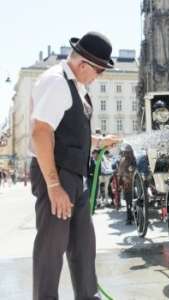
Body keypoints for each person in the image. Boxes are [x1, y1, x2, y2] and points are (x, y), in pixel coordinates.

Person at [29, 31, 121, 299]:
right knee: (51, 248)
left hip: (74, 176)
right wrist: (54, 184)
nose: (99, 77)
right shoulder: (56, 82)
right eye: (99, 71)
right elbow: (41, 132)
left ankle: (87, 296)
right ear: (83, 65)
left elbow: (66, 133)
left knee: (83, 245)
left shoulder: (75, 86)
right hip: (56, 174)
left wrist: (98, 141)